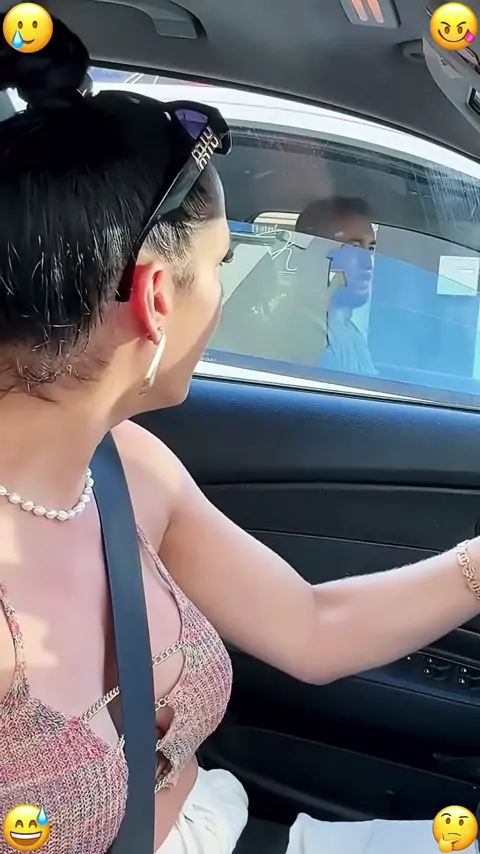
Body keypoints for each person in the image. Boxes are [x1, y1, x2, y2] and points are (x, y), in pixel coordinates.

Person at [0, 16, 479, 854]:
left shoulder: (128, 469)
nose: (224, 295)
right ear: (156, 298)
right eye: (221, 266)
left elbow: (313, 627)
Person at [296, 196, 377, 376]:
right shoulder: (300, 333)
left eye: (370, 249)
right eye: (353, 247)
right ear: (315, 255)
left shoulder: (348, 330)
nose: (368, 264)